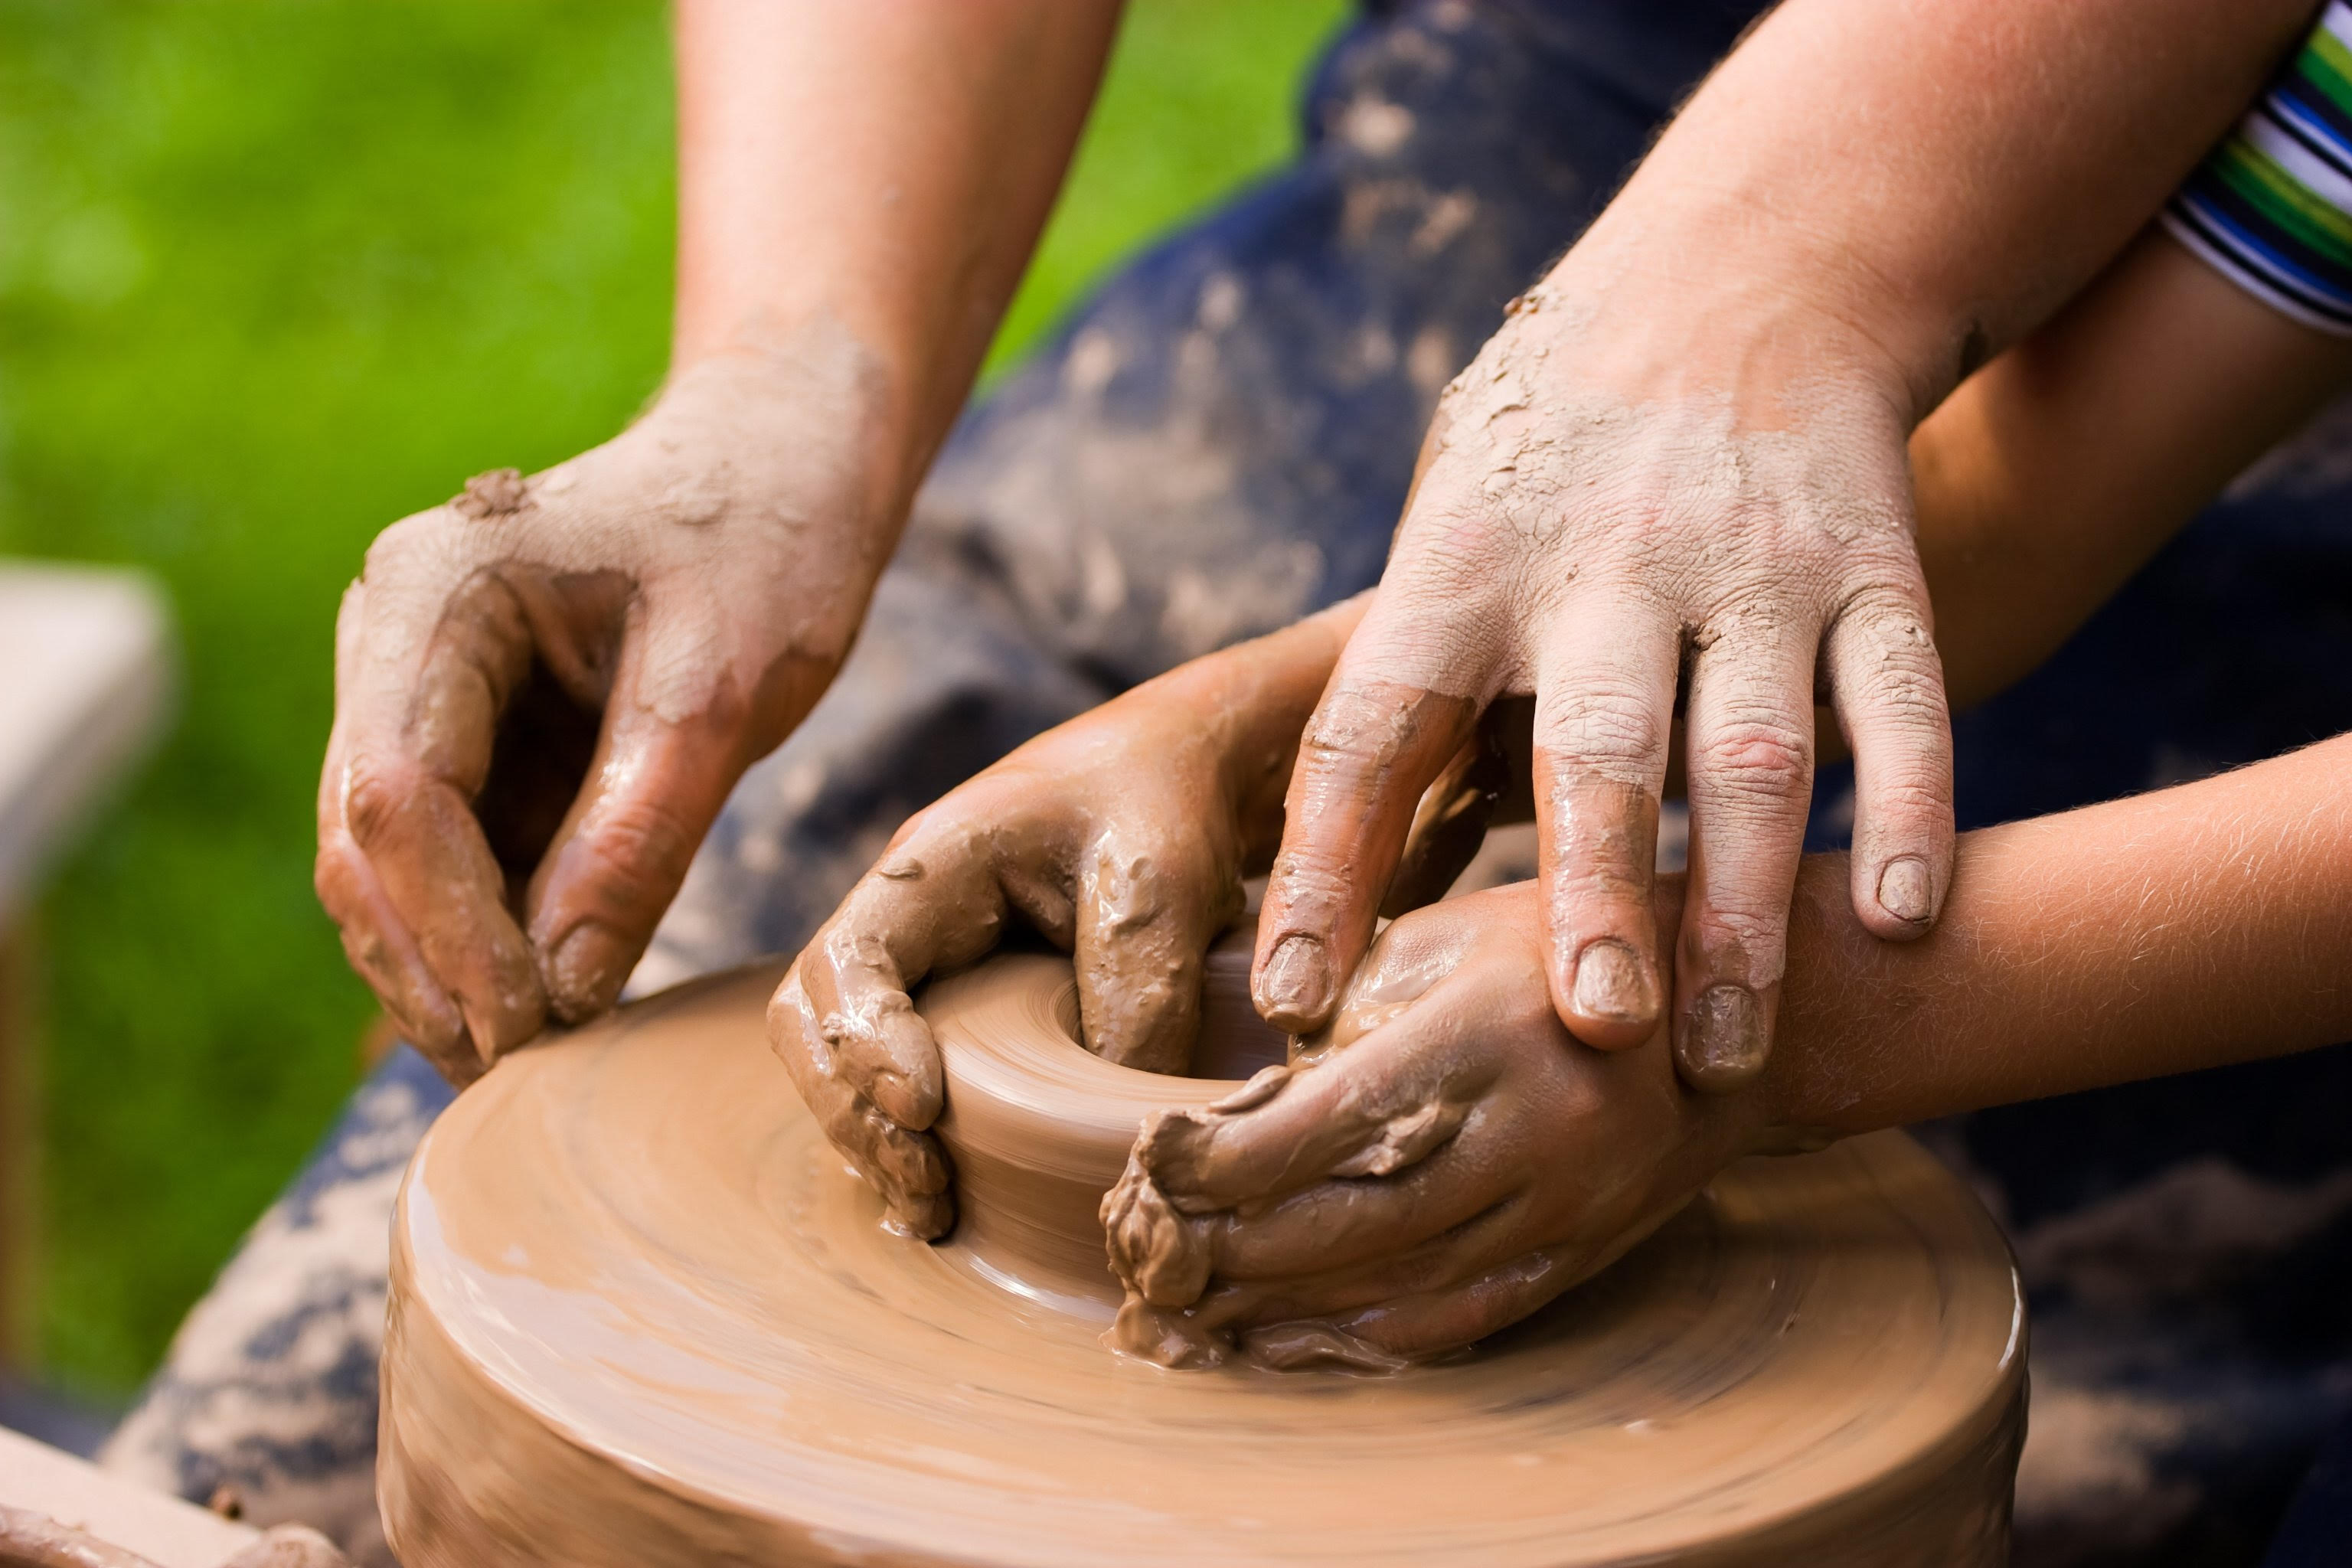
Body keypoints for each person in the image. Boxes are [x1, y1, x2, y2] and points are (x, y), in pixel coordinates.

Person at [103, 0, 2352, 1563]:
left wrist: (1791, 1030)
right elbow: (2038, 473)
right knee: (318, 1426)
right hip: (1669, 208)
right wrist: (805, 402)